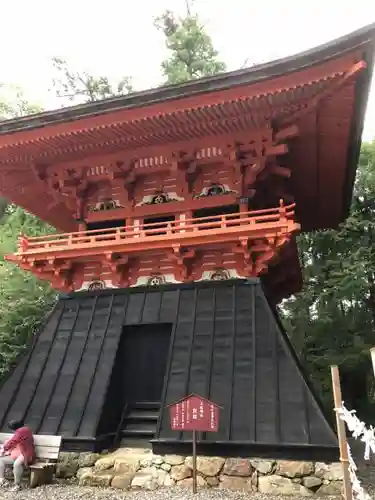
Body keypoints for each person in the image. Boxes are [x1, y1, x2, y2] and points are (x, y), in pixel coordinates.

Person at [0, 420, 36, 491]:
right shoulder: (25, 429)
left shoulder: (21, 431)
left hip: (26, 453)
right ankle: (1, 479)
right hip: (20, 453)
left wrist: (4, 448)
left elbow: (13, 441)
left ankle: (17, 485)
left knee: (17, 464)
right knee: (1, 460)